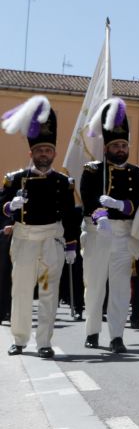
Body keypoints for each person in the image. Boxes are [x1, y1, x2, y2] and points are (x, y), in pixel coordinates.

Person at [1, 97, 79, 359]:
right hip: (24, 239)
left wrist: (71, 245)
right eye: (39, 151)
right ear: (30, 153)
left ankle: (44, 341)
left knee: (49, 292)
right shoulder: (14, 180)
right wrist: (10, 206)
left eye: (47, 151)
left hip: (51, 241)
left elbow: (69, 215)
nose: (43, 155)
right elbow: (1, 208)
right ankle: (20, 339)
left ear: (54, 153)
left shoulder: (63, 182)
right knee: (21, 291)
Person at [80, 98, 139, 354]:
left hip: (123, 234)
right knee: (95, 285)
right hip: (99, 232)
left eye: (123, 145)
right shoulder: (92, 171)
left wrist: (120, 206)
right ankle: (92, 331)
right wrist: (100, 217)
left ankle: (117, 335)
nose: (121, 149)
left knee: (120, 288)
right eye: (115, 145)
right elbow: (88, 199)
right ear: (106, 147)